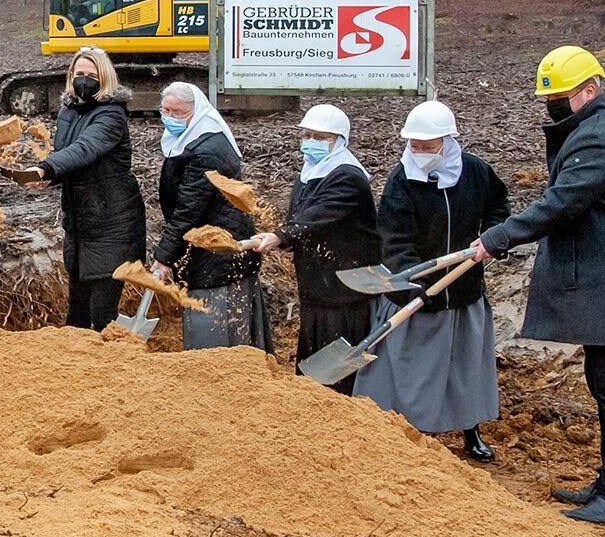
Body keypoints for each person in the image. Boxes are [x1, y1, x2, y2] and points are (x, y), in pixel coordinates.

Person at [472, 47, 605, 525]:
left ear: (590, 91)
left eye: (561, 97)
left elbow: (560, 205)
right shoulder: (593, 130)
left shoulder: (599, 142)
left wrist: (496, 239)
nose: (552, 106)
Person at [354, 101, 511, 461]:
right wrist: (413, 279)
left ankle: (471, 432)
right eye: (414, 145)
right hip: (416, 294)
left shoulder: (475, 172)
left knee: (465, 369)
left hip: (463, 290)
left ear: (448, 141)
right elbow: (393, 238)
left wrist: (491, 239)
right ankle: (403, 430)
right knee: (409, 372)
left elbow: (499, 210)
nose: (420, 152)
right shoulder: (401, 180)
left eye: (428, 145)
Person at [253, 104, 379, 395]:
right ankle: (312, 400)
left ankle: (342, 405)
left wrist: (281, 236)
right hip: (317, 280)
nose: (310, 142)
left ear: (338, 140)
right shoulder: (313, 170)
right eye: (307, 135)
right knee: (313, 346)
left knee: (339, 353)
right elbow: (299, 213)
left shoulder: (347, 176)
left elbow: (321, 214)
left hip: (345, 284)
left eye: (319, 136)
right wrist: (287, 238)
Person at [26, 47, 144, 331]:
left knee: (102, 316)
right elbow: (69, 157)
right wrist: (51, 178)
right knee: (76, 312)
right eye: (80, 74)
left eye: (92, 75)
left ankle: (110, 370)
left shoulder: (111, 115)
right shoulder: (69, 111)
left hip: (112, 224)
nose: (85, 80)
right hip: (80, 225)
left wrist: (47, 167)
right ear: (71, 76)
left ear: (104, 78)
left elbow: (86, 149)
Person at [150, 82, 269, 352]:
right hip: (205, 246)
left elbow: (189, 210)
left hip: (220, 249)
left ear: (196, 112)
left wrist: (164, 256)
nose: (169, 116)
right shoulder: (190, 139)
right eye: (165, 110)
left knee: (214, 323)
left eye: (177, 112)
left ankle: (219, 370)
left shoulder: (206, 150)